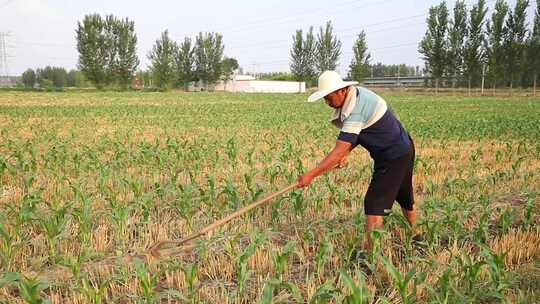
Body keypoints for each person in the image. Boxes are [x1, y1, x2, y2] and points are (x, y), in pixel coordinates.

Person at [297, 70, 420, 253]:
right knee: (403, 196)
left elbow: (339, 150)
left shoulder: (355, 110)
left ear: (342, 90)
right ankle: (418, 237)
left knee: (373, 203)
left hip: (391, 156)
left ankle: (372, 255)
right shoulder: (360, 95)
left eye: (328, 97)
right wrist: (345, 153)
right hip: (404, 148)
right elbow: (361, 133)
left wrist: (310, 175)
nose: (327, 102)